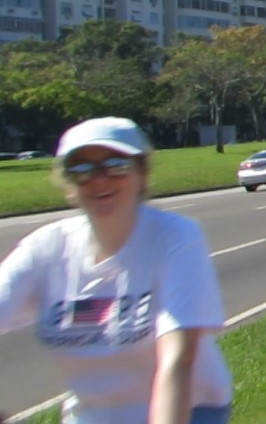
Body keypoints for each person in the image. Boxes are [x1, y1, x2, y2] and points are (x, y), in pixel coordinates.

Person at [0, 117, 233, 424]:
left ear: (141, 173)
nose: (99, 180)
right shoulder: (45, 248)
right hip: (93, 414)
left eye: (116, 166)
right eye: (81, 170)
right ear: (68, 183)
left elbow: (178, 359)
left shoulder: (175, 238)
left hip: (189, 407)